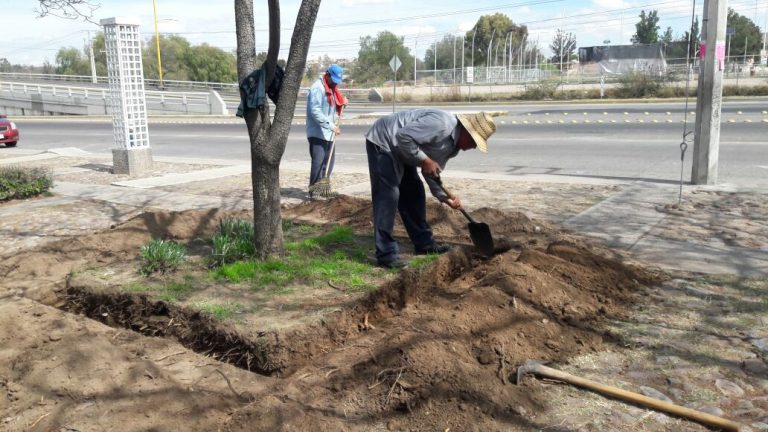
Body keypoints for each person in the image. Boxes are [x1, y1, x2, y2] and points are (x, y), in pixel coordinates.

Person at [364, 109, 497, 269]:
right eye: (475, 143)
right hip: (385, 140)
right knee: (388, 196)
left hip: (403, 150)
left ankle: (424, 244)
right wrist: (425, 160)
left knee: (414, 194)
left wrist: (444, 197)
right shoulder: (442, 124)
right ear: (467, 133)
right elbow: (403, 136)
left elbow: (431, 171)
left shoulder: (452, 148)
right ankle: (386, 255)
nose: (473, 148)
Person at [306, 64, 347, 198]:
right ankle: (314, 192)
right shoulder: (317, 88)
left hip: (329, 133)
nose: (335, 84)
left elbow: (333, 108)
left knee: (328, 164)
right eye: (333, 80)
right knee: (318, 163)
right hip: (318, 132)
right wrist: (331, 125)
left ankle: (323, 190)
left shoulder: (332, 89)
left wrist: (342, 104)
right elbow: (315, 111)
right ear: (327, 75)